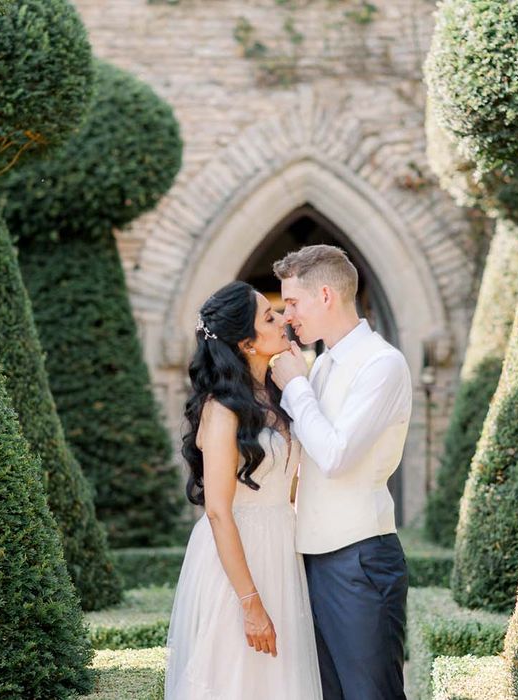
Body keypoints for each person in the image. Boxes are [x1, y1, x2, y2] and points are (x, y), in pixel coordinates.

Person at [164, 280, 323, 699]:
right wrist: (249, 602)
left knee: (279, 678)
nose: (282, 319)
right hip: (236, 557)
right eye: (269, 317)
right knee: (233, 676)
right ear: (247, 342)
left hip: (280, 548)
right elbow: (217, 510)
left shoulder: (278, 394)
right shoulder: (221, 408)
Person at [272, 244, 412, 700]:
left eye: (292, 302)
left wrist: (294, 384)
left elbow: (336, 456)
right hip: (312, 557)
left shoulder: (381, 364)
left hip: (360, 560)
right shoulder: (321, 365)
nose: (287, 314)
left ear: (326, 295)